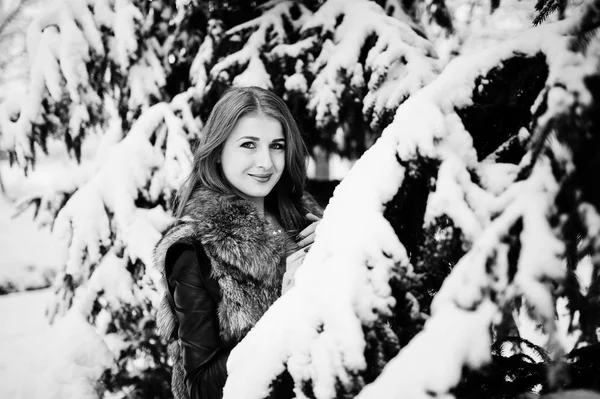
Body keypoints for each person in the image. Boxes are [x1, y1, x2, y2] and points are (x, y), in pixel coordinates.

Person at [154, 86, 322, 399]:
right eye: (248, 145)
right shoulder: (194, 250)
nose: (266, 163)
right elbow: (200, 387)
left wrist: (341, 247)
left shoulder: (308, 224)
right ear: (218, 153)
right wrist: (282, 312)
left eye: (276, 146)